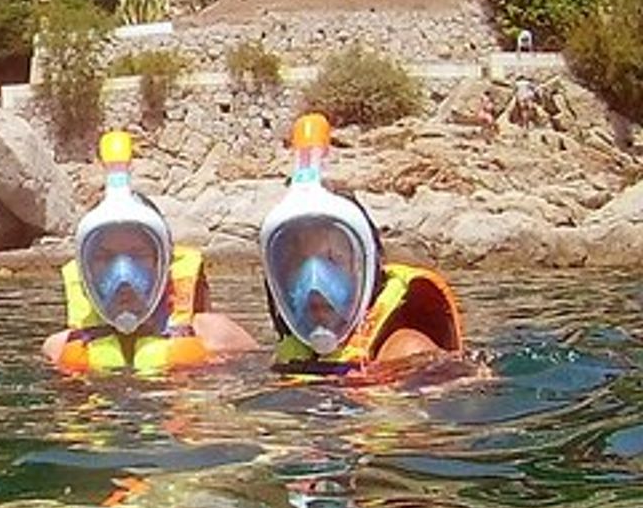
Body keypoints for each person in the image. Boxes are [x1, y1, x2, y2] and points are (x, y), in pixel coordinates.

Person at [261, 113, 463, 376]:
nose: (314, 281)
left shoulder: (409, 355)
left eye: (332, 259)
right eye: (296, 263)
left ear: (368, 267)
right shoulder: (286, 359)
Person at [42, 131, 252, 371]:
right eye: (105, 257)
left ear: (163, 261)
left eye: (138, 255)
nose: (123, 274)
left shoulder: (215, 336)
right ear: (85, 269)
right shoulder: (58, 350)